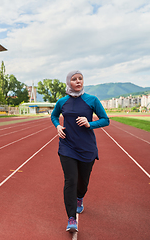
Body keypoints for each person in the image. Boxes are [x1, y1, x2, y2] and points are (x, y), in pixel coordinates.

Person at [51, 70, 109, 233]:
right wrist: (57, 126)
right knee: (71, 180)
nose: (78, 81)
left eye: (80, 79)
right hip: (67, 146)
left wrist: (90, 123)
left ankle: (80, 198)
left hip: (87, 148)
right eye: (74, 79)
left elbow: (106, 120)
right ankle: (71, 218)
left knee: (82, 182)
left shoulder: (92, 100)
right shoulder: (62, 102)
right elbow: (54, 116)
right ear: (69, 82)